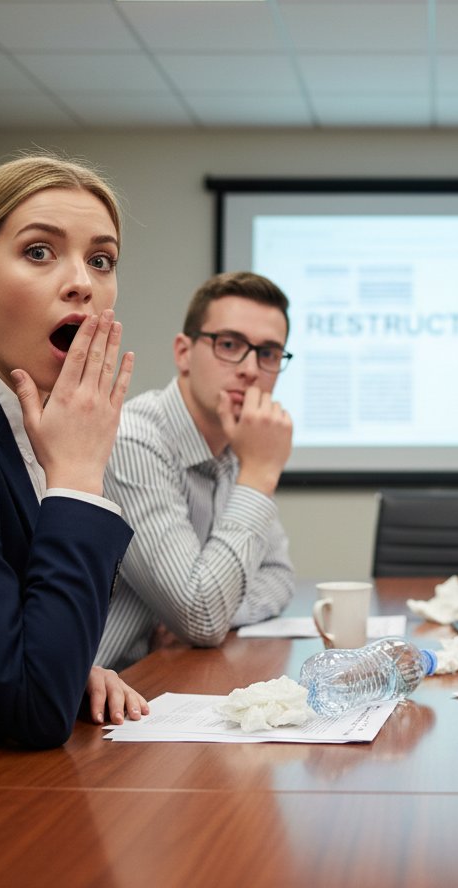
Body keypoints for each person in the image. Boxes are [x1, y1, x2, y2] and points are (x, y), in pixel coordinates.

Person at [0, 154, 148, 789]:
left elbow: (16, 656)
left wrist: (68, 666)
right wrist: (77, 478)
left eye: (101, 260)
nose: (82, 283)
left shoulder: (25, 431)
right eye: (40, 252)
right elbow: (32, 707)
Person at [94, 271, 295, 670]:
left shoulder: (237, 446)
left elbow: (279, 577)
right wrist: (259, 474)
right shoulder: (134, 439)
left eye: (269, 353)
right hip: (89, 706)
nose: (251, 369)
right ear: (184, 352)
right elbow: (202, 614)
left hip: (167, 681)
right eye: (229, 344)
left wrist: (217, 610)